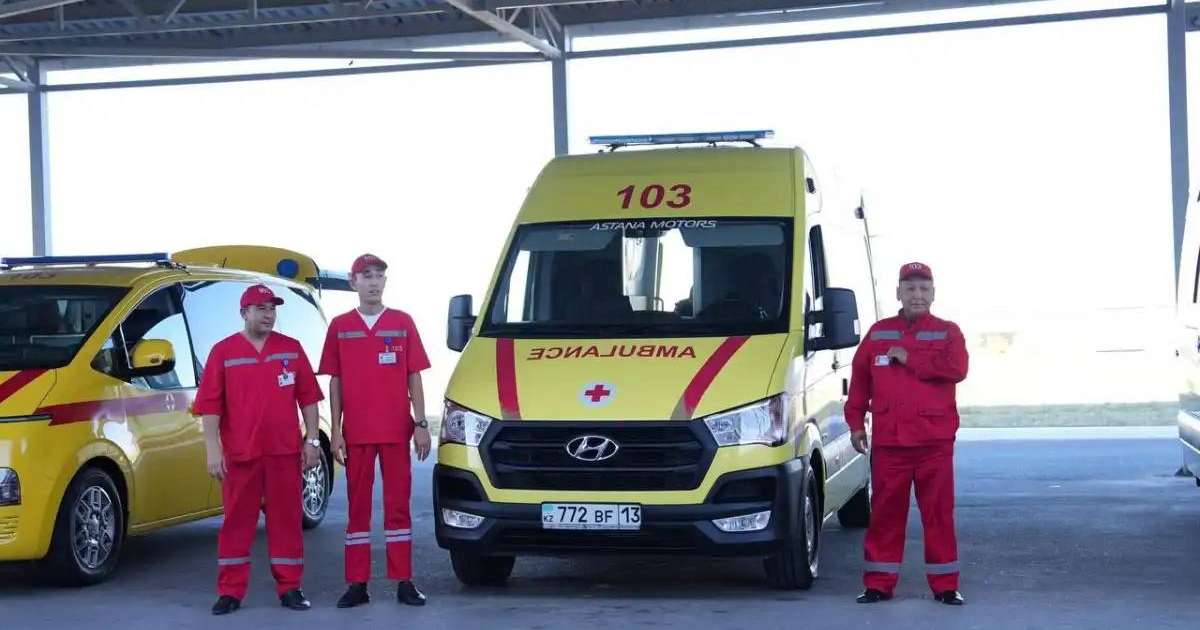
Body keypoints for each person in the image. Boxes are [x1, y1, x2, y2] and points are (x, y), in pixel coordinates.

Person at [844, 262, 969, 606]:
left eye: (923, 289)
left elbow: (957, 369)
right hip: (890, 445)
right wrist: (855, 423)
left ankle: (946, 586)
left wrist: (910, 358)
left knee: (939, 516)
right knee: (885, 514)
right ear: (898, 293)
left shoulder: (948, 333)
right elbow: (859, 382)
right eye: (910, 288)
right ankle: (878, 584)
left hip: (934, 445)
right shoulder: (878, 333)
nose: (917, 295)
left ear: (933, 294)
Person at [196, 284, 324, 616]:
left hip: (284, 453)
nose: (269, 315)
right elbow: (210, 406)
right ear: (244, 313)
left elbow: (308, 398)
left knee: (286, 521)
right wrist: (213, 450)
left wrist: (312, 440)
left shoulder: (291, 349)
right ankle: (230, 591)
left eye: (272, 309)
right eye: (261, 308)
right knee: (236, 523)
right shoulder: (223, 352)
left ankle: (290, 587)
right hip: (240, 454)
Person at [319, 254, 433, 608]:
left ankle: (404, 581)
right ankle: (357, 585)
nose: (374, 281)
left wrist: (421, 423)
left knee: (398, 507)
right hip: (357, 432)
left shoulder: (402, 323)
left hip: (396, 431)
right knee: (357, 510)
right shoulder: (340, 326)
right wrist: (335, 431)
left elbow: (413, 375)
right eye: (366, 275)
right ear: (353, 282)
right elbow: (335, 381)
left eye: (379, 276)